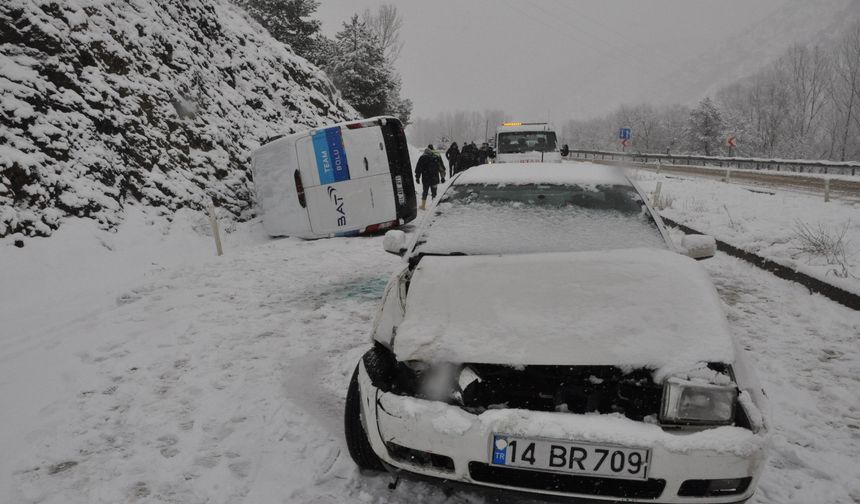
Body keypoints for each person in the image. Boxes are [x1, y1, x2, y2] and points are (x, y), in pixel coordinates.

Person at [415, 145, 445, 210]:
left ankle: (423, 206)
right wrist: (442, 177)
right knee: (434, 193)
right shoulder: (435, 158)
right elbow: (441, 168)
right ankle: (434, 207)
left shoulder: (422, 158)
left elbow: (418, 168)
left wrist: (417, 177)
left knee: (425, 192)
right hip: (434, 179)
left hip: (426, 179)